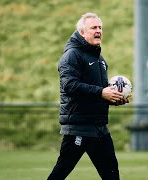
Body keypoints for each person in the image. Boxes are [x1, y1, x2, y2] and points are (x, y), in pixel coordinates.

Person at [47, 12, 130, 180]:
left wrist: (113, 98)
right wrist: (101, 92)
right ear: (82, 32)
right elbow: (69, 86)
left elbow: (97, 93)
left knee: (112, 175)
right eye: (93, 27)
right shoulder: (71, 55)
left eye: (100, 27)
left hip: (99, 128)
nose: (98, 30)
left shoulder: (100, 60)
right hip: (78, 127)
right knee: (60, 172)